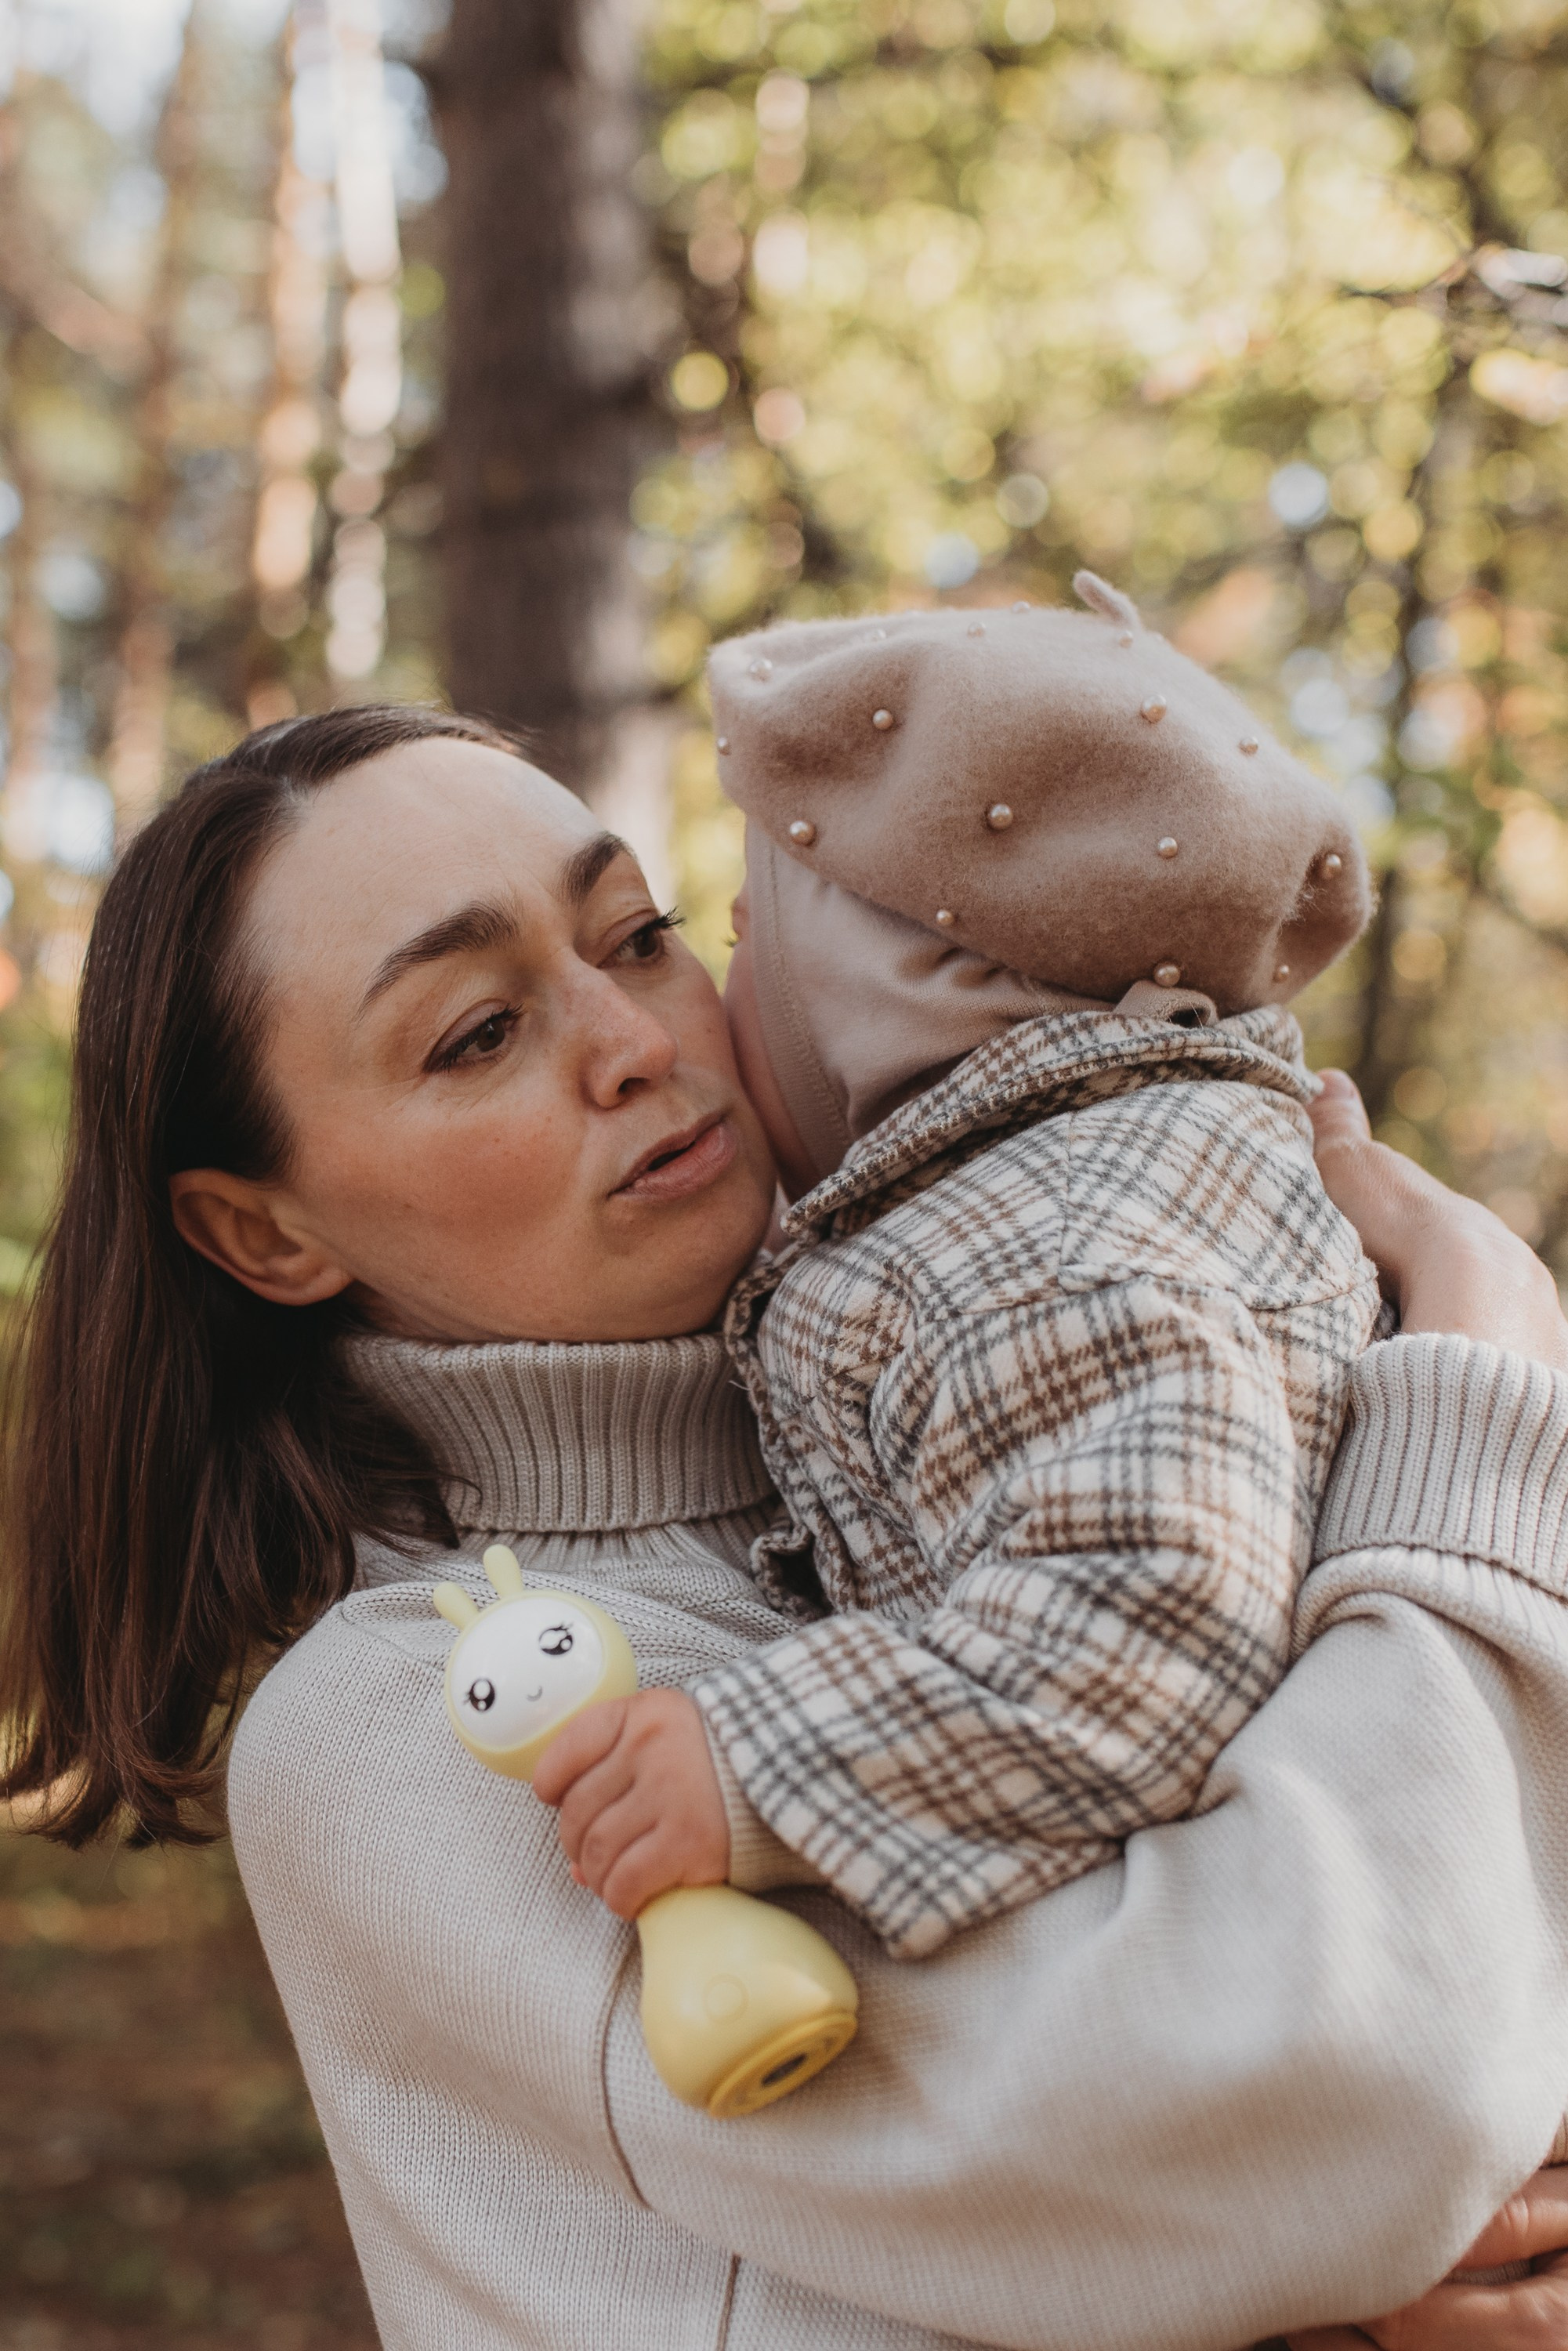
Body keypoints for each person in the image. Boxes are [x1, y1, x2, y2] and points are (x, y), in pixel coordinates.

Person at [3, 703, 1568, 2351]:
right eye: (476, 1033)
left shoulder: (1007, 1460)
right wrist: (1474, 1403)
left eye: (638, 935)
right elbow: (1337, 2099)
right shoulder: (427, 1728)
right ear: (262, 1231)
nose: (633, 1038)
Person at [541, 583, 1395, 1961]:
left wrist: (765, 1765)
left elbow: (1152, 1620)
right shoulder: (1115, 1180)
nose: (703, 1007)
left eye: (746, 945)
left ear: (889, 986)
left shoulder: (1037, 1249)